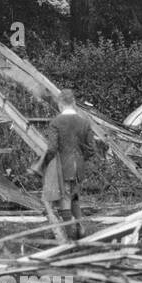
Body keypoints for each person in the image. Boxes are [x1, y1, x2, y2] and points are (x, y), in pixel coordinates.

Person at [32, 88, 98, 240]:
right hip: (79, 168)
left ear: (60, 104)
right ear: (74, 103)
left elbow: (52, 148)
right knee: (74, 196)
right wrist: (81, 159)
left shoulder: (56, 122)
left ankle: (71, 233)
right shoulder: (84, 123)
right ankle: (81, 227)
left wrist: (45, 163)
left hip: (63, 167)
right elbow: (91, 149)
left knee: (65, 201)